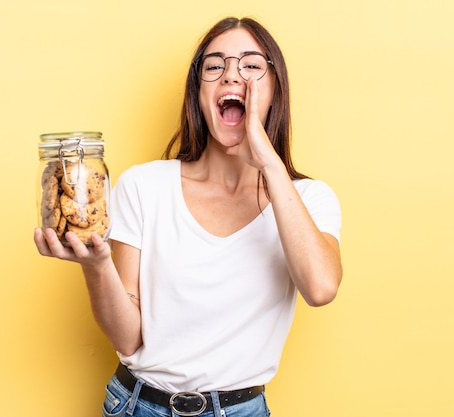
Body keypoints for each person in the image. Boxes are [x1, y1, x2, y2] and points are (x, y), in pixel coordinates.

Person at [34, 16, 342, 417]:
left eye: (251, 66)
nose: (232, 76)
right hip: (136, 405)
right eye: (215, 66)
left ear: (274, 92)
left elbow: (320, 288)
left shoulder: (309, 198)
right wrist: (97, 264)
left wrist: (268, 160)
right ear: (198, 92)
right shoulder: (143, 185)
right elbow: (128, 339)